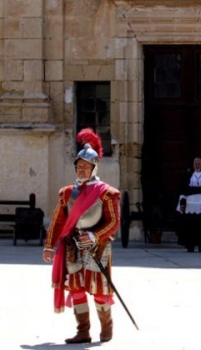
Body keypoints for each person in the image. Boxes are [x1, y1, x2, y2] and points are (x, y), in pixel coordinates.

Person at [43, 129, 121, 344]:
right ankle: (83, 331)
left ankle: (106, 329)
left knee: (100, 290)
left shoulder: (107, 192)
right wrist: (49, 246)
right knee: (76, 288)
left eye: (86, 167)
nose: (81, 170)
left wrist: (95, 237)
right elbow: (58, 220)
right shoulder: (67, 193)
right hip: (73, 246)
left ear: (94, 167)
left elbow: (113, 222)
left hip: (99, 246)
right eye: (79, 166)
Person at [177, 157, 201, 253]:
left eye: (199, 163)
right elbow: (184, 189)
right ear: (193, 165)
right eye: (195, 164)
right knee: (190, 225)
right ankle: (190, 246)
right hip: (191, 203)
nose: (197, 165)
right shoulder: (188, 176)